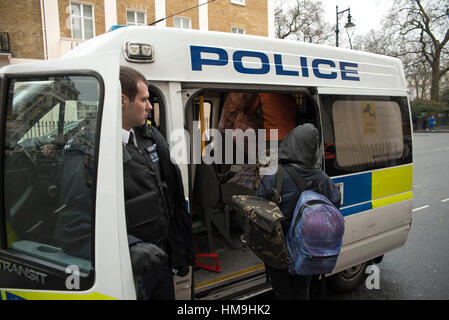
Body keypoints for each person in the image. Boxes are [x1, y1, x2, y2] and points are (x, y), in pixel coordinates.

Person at [120, 66, 195, 300]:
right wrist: (130, 247)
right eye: (144, 100)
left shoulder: (150, 136)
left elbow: (173, 195)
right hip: (130, 267)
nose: (150, 106)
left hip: (160, 257)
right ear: (123, 101)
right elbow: (77, 222)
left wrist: (180, 252)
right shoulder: (94, 149)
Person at [256, 123, 341, 300]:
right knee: (302, 292)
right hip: (306, 248)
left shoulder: (276, 175)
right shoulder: (321, 178)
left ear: (290, 144)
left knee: (282, 293)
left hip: (279, 251)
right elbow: (335, 203)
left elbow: (259, 205)